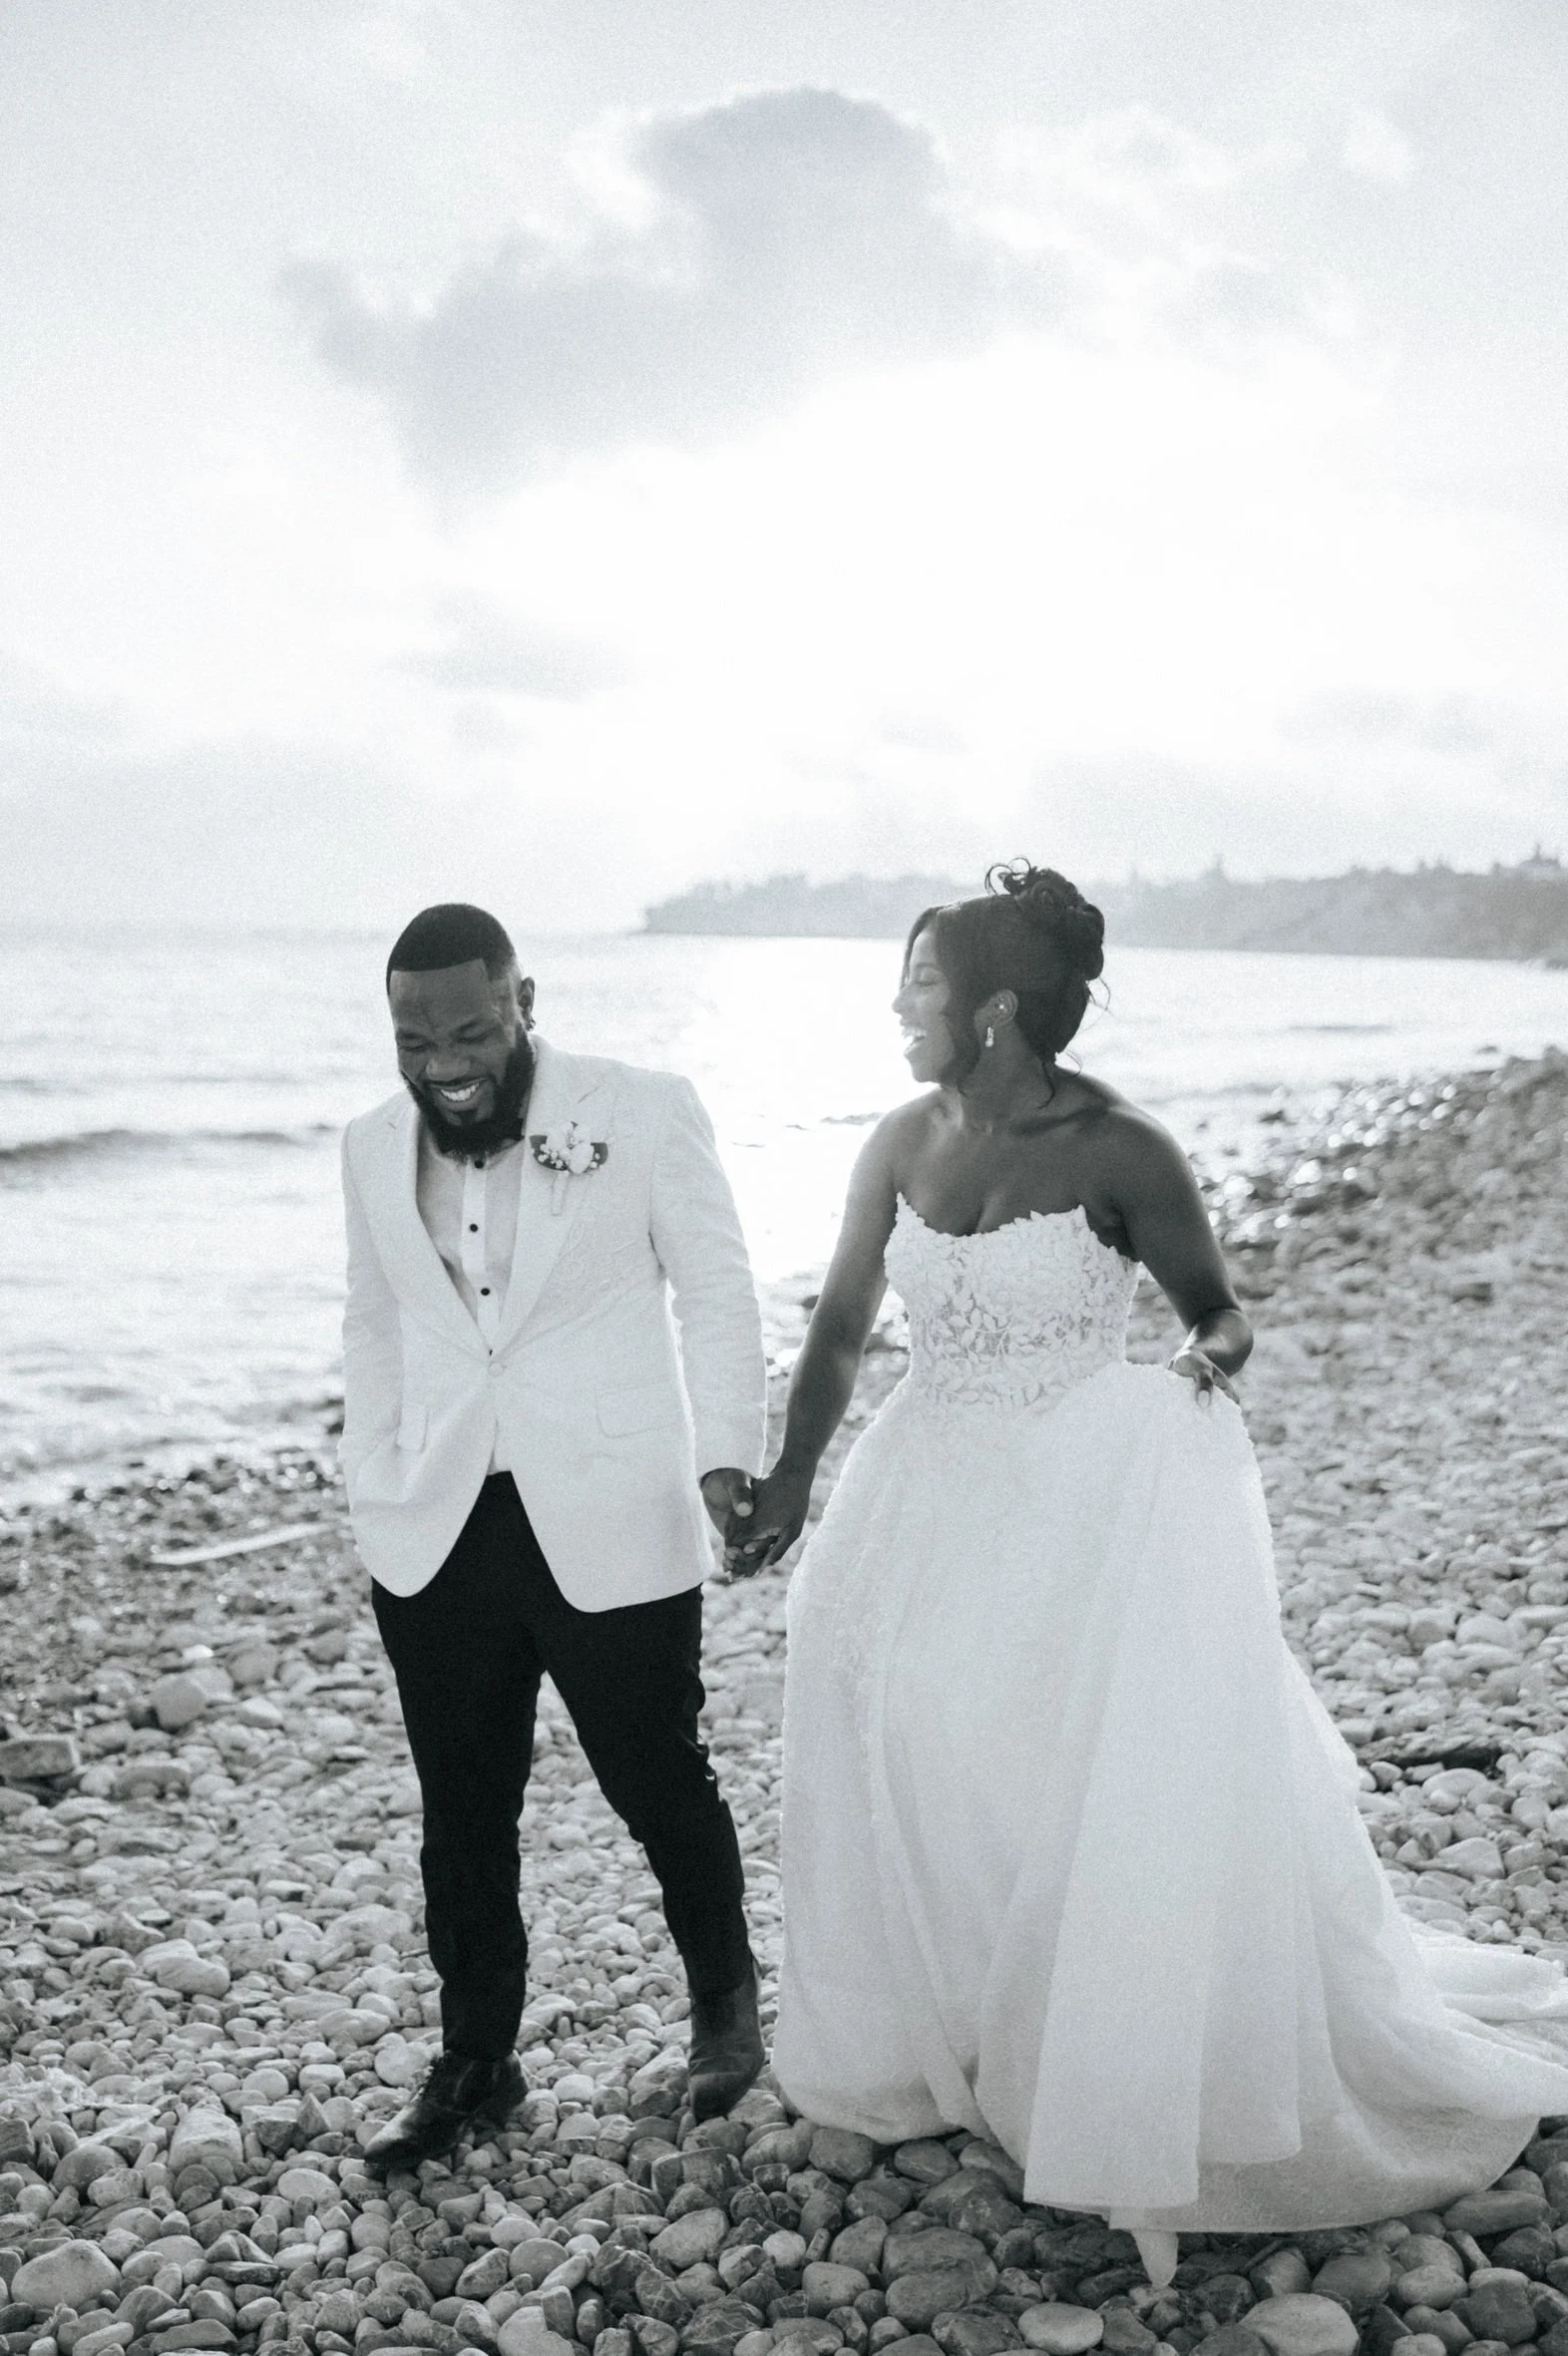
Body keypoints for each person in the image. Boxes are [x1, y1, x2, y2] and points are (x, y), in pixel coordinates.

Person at [729, 860, 1568, 2284]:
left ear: (993, 1006)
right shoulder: (896, 1139)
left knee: (1050, 1760)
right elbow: (838, 1327)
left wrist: (1199, 1367)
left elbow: (1222, 1314)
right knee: (894, 1725)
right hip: (919, 1481)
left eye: (919, 983)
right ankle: (950, 2037)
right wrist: (794, 1480)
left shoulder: (1123, 1149)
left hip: (1076, 1489)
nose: (897, 1005)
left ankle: (1082, 2046)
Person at [339, 902, 769, 2168]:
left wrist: (727, 1454)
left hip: (610, 1506)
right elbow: (374, 1324)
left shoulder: (638, 1107)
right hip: (437, 1527)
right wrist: (374, 1479)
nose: (442, 1062)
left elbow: (720, 1283)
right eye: (415, 1039)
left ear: (527, 1000)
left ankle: (725, 2006)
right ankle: (477, 2058)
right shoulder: (369, 1147)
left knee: (654, 1774)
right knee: (461, 1807)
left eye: (469, 1030)